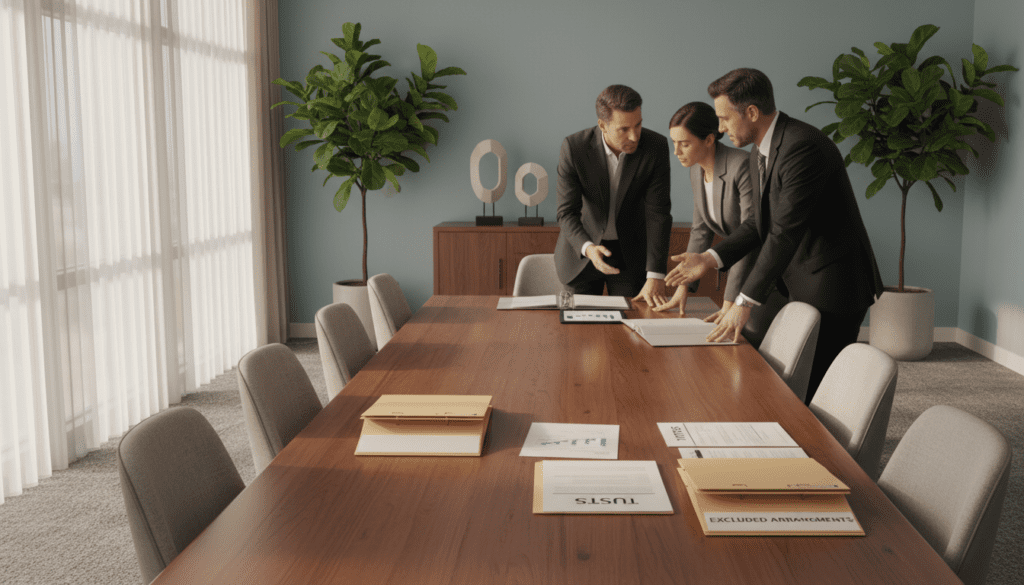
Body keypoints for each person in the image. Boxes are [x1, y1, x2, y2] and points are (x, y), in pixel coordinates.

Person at [666, 68, 883, 403]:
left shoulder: (802, 146)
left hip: (833, 281)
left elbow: (783, 231)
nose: (720, 128)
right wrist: (708, 259)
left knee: (817, 395)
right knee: (777, 380)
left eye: (724, 118)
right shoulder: (760, 150)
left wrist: (743, 300)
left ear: (751, 112)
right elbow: (756, 225)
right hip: (797, 276)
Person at [554, 84, 672, 306]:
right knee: (578, 331)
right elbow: (566, 212)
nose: (635, 136)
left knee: (633, 330)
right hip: (583, 252)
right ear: (602, 126)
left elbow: (659, 214)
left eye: (638, 125)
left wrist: (656, 274)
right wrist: (588, 248)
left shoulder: (655, 147)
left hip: (632, 255)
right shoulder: (574, 148)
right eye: (624, 129)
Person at [653, 101, 756, 323]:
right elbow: (701, 231)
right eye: (674, 143)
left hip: (761, 276)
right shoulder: (696, 170)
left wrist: (729, 303)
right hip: (739, 269)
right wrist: (682, 289)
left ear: (709, 139)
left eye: (685, 144)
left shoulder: (742, 166)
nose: (676, 152)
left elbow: (749, 237)